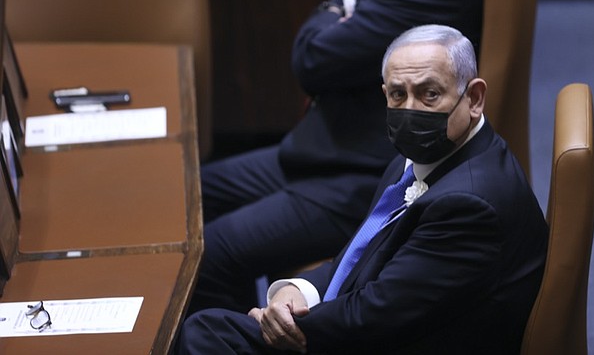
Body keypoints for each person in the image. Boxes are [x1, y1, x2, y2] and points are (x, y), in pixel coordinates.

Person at [189, 0, 491, 315]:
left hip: (363, 169)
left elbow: (315, 60)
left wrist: (336, 11)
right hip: (325, 146)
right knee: (187, 192)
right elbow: (337, 19)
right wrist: (339, 11)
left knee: (212, 252)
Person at [178, 24, 548, 354]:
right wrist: (297, 291)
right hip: (390, 325)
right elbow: (357, 256)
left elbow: (376, 315)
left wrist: (281, 325)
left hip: (409, 340)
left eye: (430, 94)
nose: (410, 109)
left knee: (205, 334)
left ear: (474, 97)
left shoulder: (468, 204)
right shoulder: (418, 159)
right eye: (398, 95)